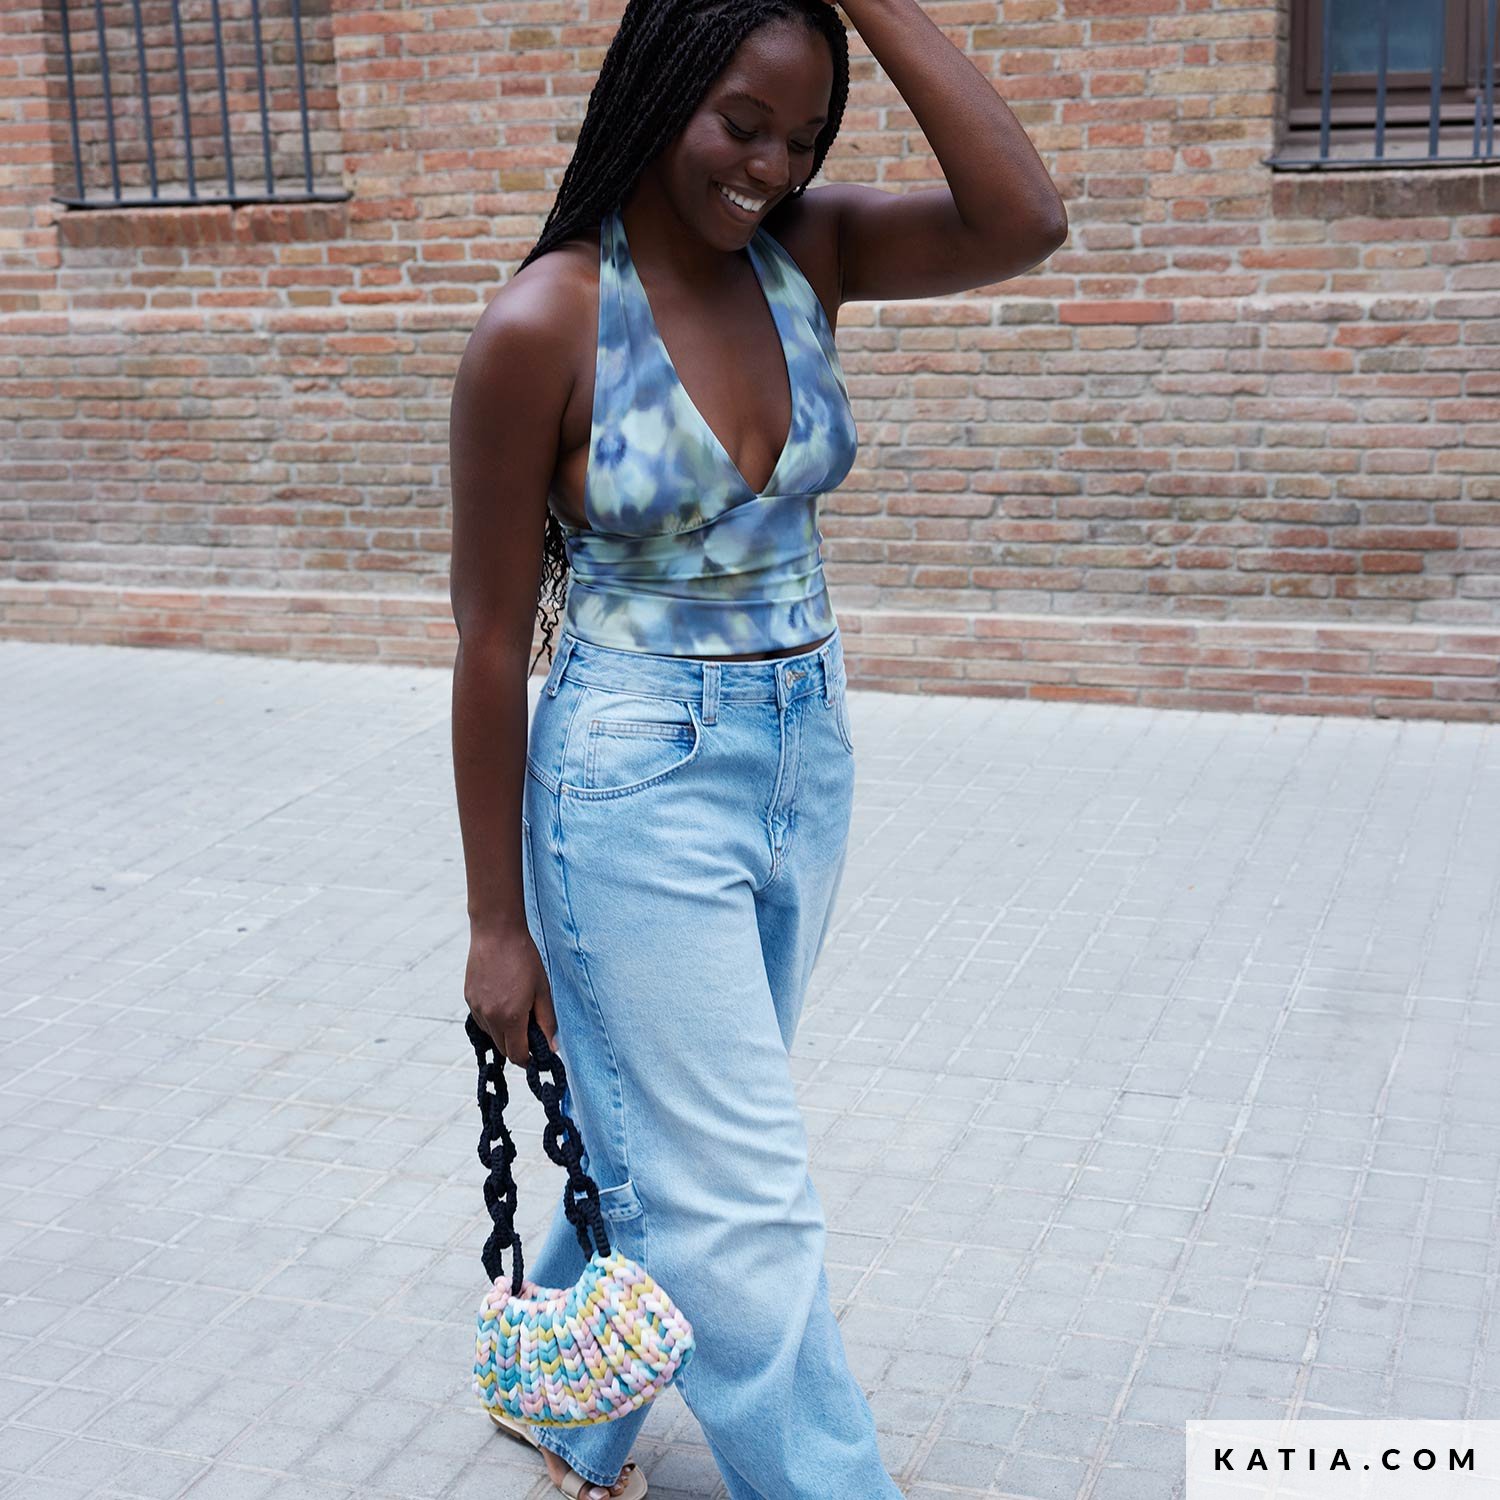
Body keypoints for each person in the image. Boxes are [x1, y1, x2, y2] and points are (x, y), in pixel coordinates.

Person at [448, 0, 1067, 1491]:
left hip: (805, 747)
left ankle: (574, 1397)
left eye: (805, 136)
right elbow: (485, 644)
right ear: (660, 88)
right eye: (741, 123)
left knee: (676, 1133)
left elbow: (1024, 220)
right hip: (633, 776)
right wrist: (495, 927)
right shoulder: (544, 324)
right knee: (742, 1198)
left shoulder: (812, 254)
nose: (771, 168)